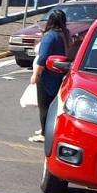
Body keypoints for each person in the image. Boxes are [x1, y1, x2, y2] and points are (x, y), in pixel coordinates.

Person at [29, 9, 69, 143]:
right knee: (52, 104)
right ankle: (45, 128)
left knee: (44, 106)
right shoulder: (64, 35)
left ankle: (44, 133)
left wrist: (35, 74)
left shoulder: (50, 36)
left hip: (47, 75)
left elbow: (43, 57)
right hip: (58, 74)